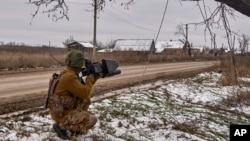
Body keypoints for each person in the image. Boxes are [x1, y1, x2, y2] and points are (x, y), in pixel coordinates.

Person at [47, 50, 100, 140]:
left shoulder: (67, 72)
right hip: (61, 114)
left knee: (86, 100)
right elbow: (84, 92)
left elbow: (83, 89)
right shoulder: (69, 76)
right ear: (79, 63)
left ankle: (73, 123)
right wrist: (91, 77)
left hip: (61, 109)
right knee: (92, 120)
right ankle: (61, 126)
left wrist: (94, 77)